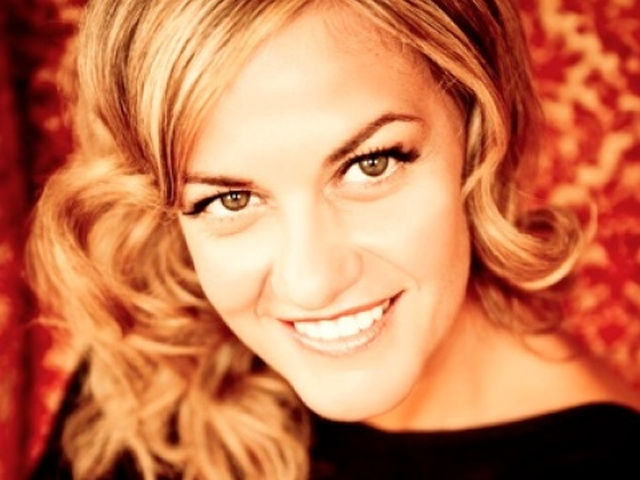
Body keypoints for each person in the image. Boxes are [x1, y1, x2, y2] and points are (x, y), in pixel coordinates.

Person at [27, 0, 640, 479]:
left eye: (371, 165)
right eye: (229, 200)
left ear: (478, 128)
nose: (312, 282)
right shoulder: (148, 364)